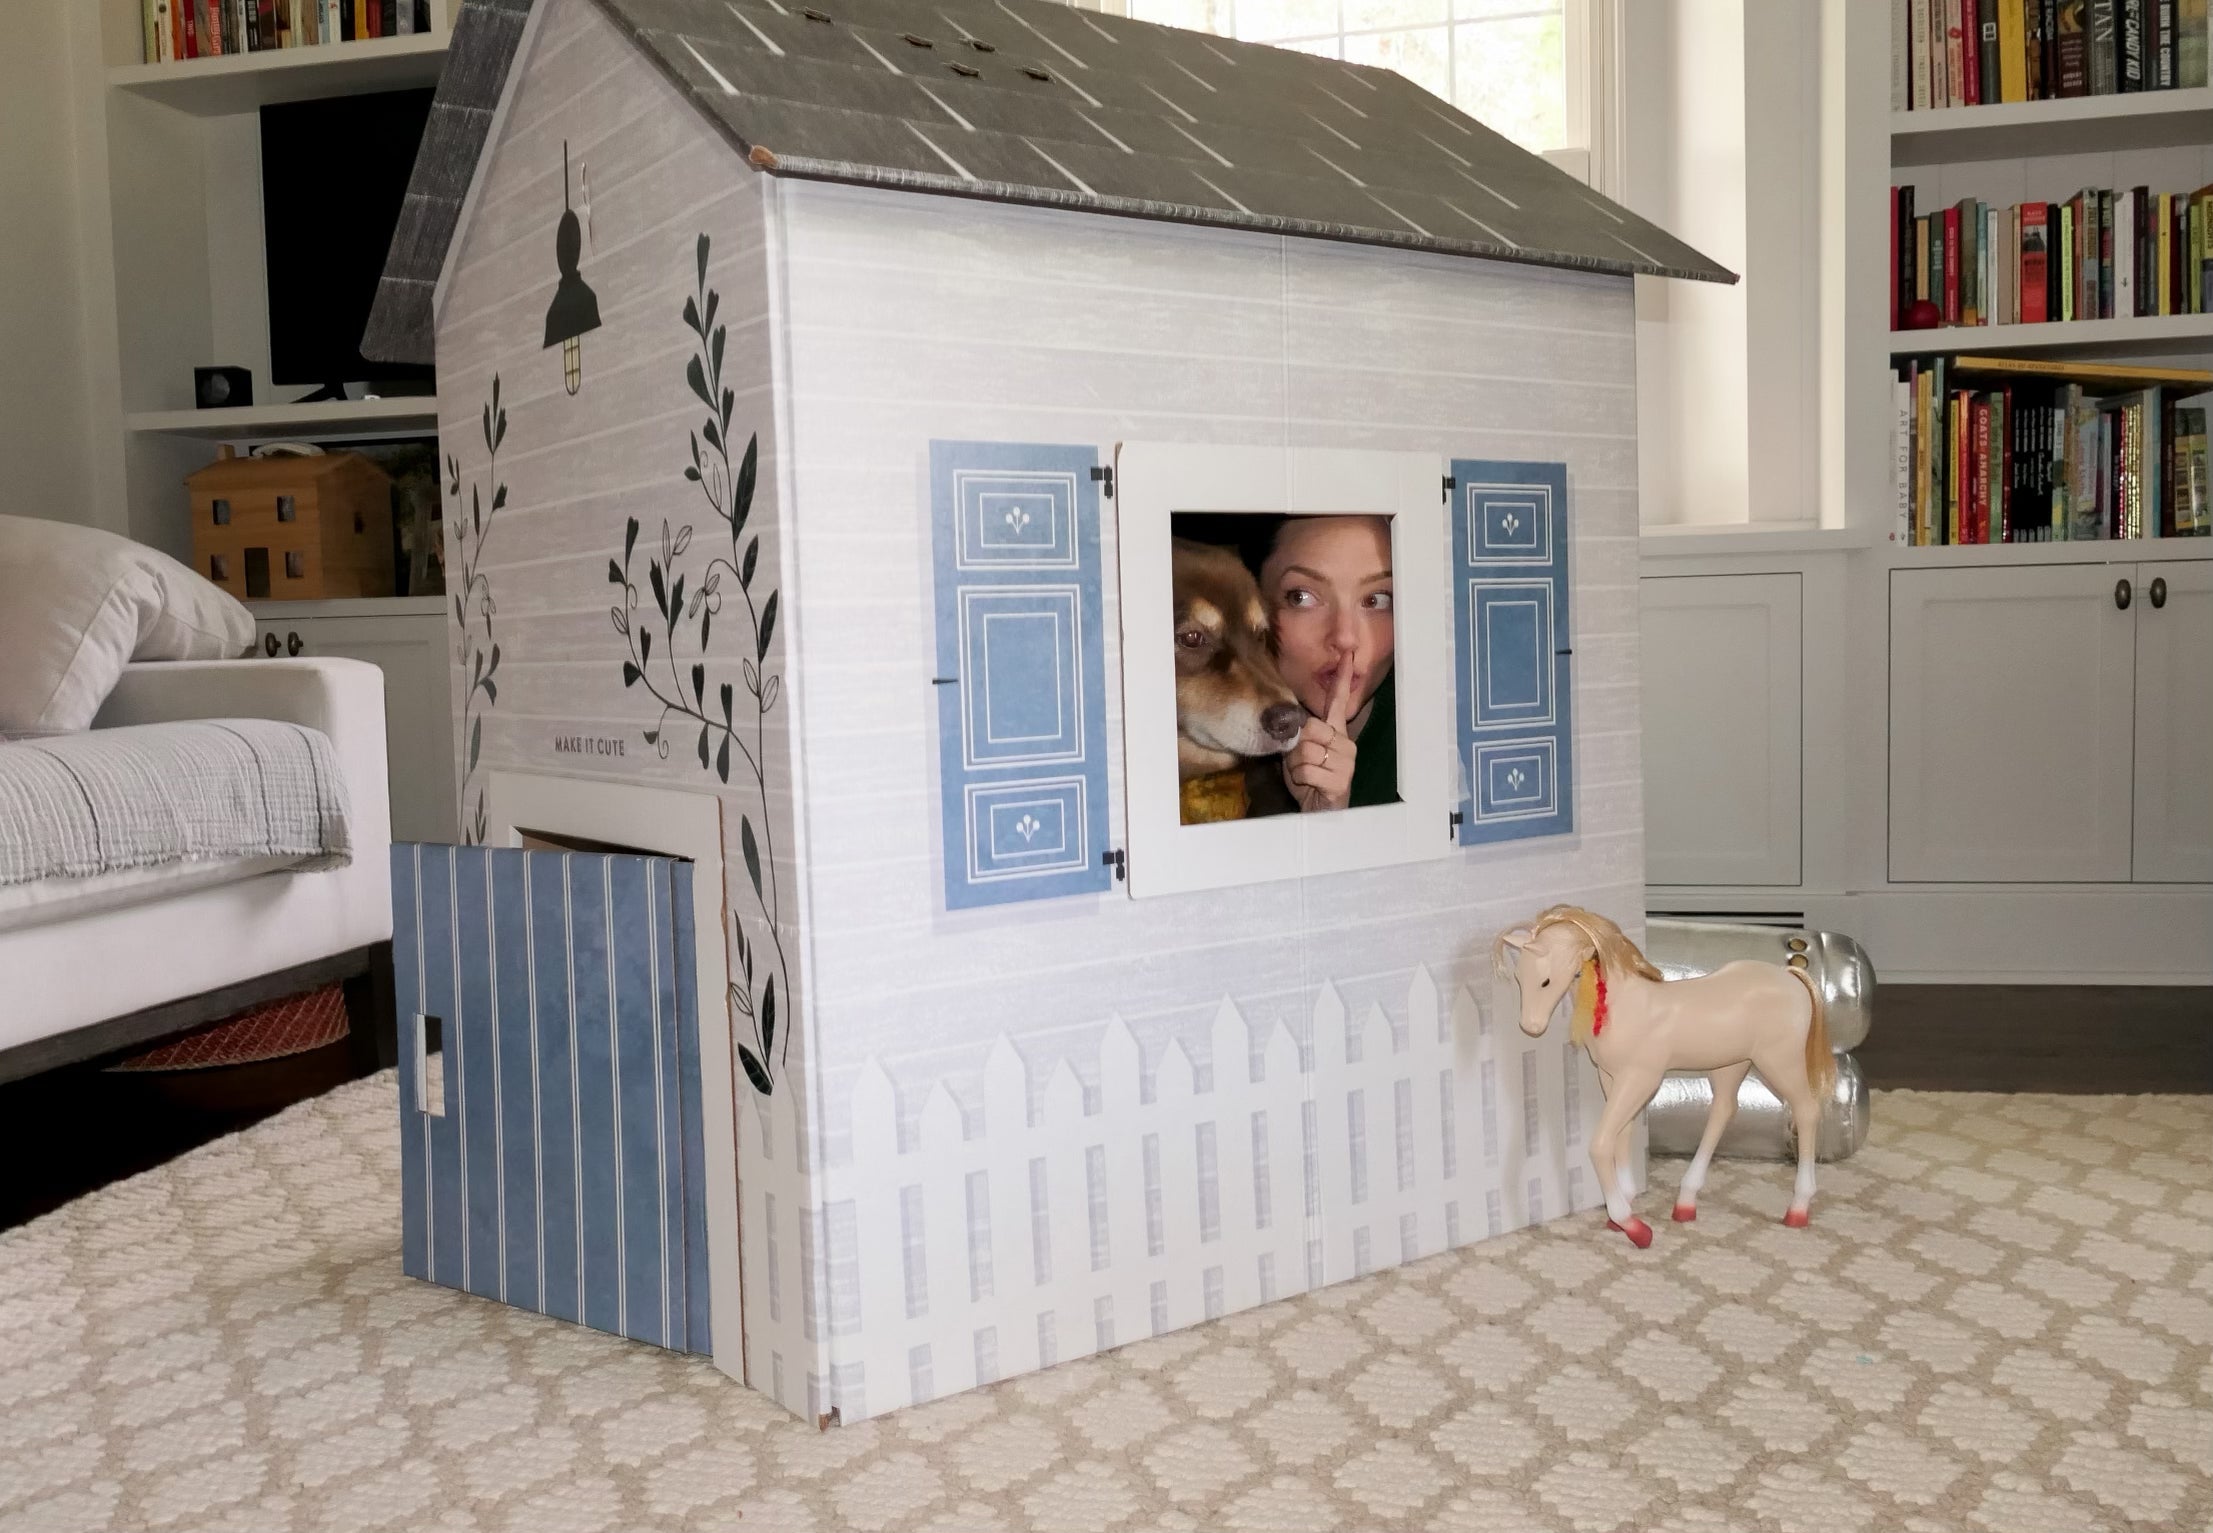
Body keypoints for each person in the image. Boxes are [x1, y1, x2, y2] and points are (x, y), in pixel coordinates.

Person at [1244, 514, 1398, 816]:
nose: (1344, 637)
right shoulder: (1210, 736)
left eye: (1377, 599)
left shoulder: (1438, 733)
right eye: (1301, 597)